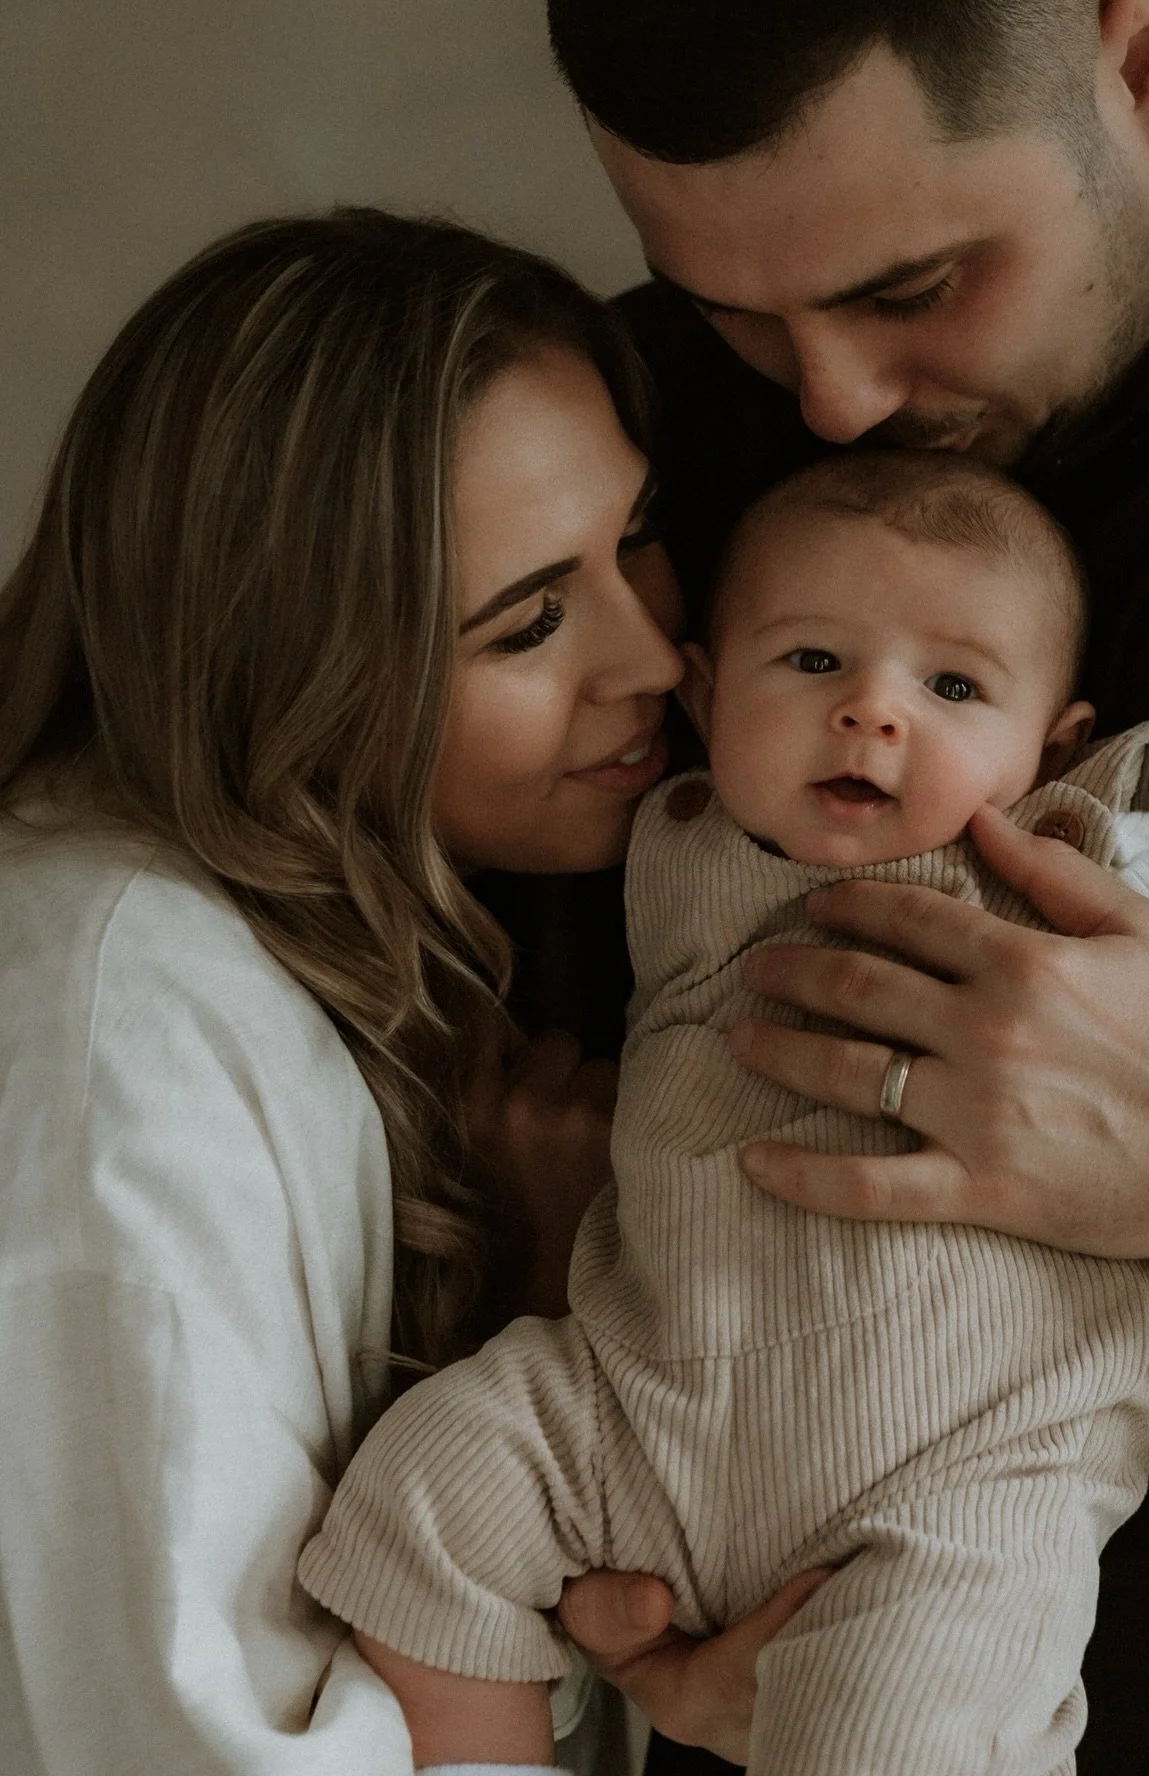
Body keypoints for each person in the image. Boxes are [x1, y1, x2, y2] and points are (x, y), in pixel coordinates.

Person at [541, 0, 1149, 1771]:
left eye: (909, 289)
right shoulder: (625, 441)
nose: (834, 403)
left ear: (1145, 63)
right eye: (732, 307)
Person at [297, 449, 1149, 1776]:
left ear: (1056, 745)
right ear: (705, 691)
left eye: (952, 685)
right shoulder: (674, 838)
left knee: (893, 1741)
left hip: (960, 1477)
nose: (870, 715)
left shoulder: (1104, 863)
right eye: (810, 666)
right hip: (637, 1405)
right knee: (422, 1498)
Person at [0, 207, 825, 1776]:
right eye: (528, 620)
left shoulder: (344, 936)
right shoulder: (117, 1031)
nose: (657, 655)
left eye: (635, 537)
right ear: (288, 656)